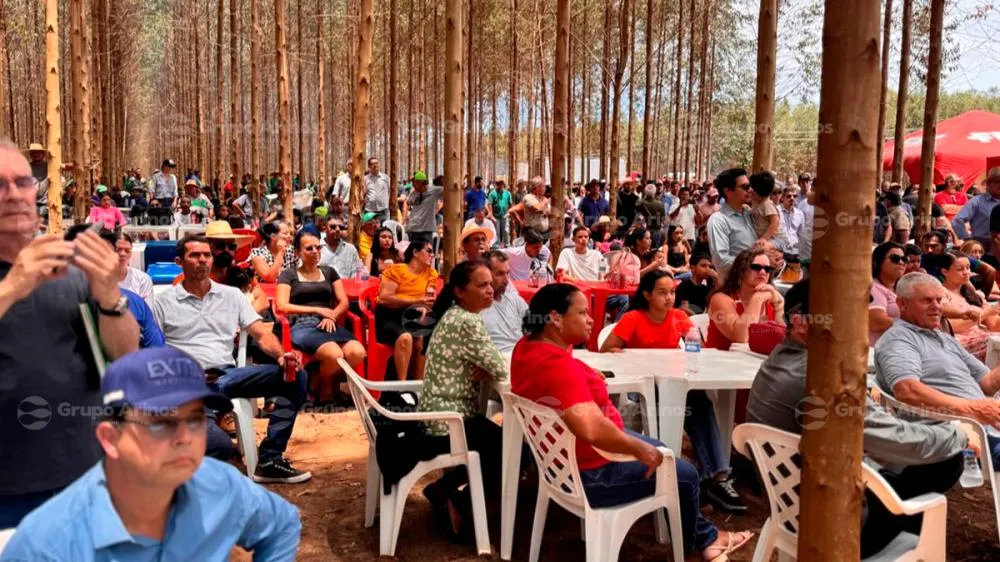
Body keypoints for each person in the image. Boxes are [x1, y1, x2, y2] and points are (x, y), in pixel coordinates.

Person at [510, 284, 754, 561]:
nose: (591, 319)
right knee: (686, 475)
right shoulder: (559, 366)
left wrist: (585, 371)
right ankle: (702, 544)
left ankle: (704, 535)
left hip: (562, 465)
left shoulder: (528, 347)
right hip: (595, 474)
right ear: (555, 318)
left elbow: (562, 381)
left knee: (665, 452)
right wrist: (637, 449)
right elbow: (589, 427)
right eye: (582, 313)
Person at [1, 346, 302, 560]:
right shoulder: (48, 544)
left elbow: (283, 524)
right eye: (160, 423)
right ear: (109, 437)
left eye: (196, 419)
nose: (185, 437)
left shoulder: (220, 484)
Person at [748, 280, 968, 559]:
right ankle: (904, 547)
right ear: (801, 323)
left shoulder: (777, 361)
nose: (855, 327)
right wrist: (958, 436)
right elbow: (891, 439)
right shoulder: (821, 378)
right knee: (946, 460)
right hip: (837, 524)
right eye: (842, 318)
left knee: (922, 453)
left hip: (791, 509)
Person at [0, 139, 139, 527]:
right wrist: (15, 284)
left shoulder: (69, 272)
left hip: (83, 475)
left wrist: (110, 296)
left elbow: (125, 354)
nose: (14, 195)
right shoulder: (33, 271)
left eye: (23, 182)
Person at [152, 235, 311, 484]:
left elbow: (260, 332)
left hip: (228, 375)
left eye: (206, 255)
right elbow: (152, 350)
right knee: (218, 447)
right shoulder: (162, 302)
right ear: (179, 261)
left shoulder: (231, 296)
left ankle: (269, 459)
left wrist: (282, 356)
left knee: (295, 375)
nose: (202, 260)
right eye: (195, 255)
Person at [600, 270, 746, 512]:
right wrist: (634, 359)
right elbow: (608, 349)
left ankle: (716, 476)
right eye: (662, 292)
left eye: (672, 292)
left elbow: (694, 348)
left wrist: (688, 343)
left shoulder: (678, 317)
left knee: (699, 402)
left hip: (673, 382)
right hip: (644, 387)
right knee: (688, 406)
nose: (669, 298)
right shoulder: (633, 318)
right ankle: (693, 477)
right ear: (647, 295)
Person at [418, 260, 508, 535]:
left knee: (506, 443)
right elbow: (501, 368)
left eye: (491, 284)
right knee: (516, 451)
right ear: (459, 291)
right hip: (449, 422)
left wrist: (486, 364)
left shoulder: (455, 314)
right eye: (481, 285)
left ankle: (443, 487)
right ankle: (461, 500)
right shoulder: (467, 320)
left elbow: (491, 364)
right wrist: (488, 364)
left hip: (438, 416)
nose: (490, 290)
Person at [875, 272, 1000, 467]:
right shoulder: (899, 340)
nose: (936, 307)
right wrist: (972, 409)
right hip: (960, 432)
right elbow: (907, 390)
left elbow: (989, 383)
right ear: (902, 304)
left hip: (986, 423)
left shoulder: (943, 338)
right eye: (926, 300)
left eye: (939, 300)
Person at [276, 231, 366, 404]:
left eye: (318, 247)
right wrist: (318, 311)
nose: (316, 251)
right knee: (334, 354)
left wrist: (332, 316)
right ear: (298, 253)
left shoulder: (329, 272)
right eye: (309, 248)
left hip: (328, 323)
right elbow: (282, 306)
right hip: (302, 324)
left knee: (357, 352)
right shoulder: (289, 275)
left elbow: (343, 302)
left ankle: (323, 383)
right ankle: (326, 389)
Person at [375, 240, 439, 380]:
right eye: (428, 251)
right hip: (389, 314)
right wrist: (417, 301)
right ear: (415, 253)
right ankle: (401, 386)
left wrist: (424, 307)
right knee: (406, 337)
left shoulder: (431, 273)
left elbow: (428, 298)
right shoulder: (397, 270)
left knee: (424, 335)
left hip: (413, 314)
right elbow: (384, 298)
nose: (432, 255)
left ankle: (416, 384)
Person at [705, 248, 784, 350]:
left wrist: (779, 308)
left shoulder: (771, 299)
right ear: (741, 271)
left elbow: (782, 340)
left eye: (767, 269)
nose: (763, 272)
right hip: (721, 362)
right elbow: (741, 337)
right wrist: (757, 299)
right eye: (756, 267)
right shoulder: (720, 299)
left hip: (755, 362)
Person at [937, 251, 999, 359]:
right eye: (960, 269)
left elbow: (994, 324)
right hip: (958, 345)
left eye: (968, 267)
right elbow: (952, 326)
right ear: (945, 271)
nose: (966, 272)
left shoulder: (973, 294)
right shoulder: (941, 294)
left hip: (983, 338)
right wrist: (985, 313)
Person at [706, 168, 757, 282]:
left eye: (749, 186)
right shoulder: (718, 220)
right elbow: (722, 261)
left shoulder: (751, 214)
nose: (750, 190)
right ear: (727, 191)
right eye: (744, 187)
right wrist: (756, 265)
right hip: (734, 289)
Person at [480, 250, 529, 354]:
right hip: (498, 360)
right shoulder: (475, 306)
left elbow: (535, 326)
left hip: (522, 356)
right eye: (500, 274)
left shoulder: (515, 300)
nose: (506, 279)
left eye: (508, 273)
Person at [869, 242, 906, 346]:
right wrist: (916, 326)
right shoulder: (873, 288)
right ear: (877, 262)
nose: (901, 262)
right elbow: (877, 322)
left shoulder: (901, 289)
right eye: (895, 258)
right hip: (878, 352)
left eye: (904, 259)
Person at [953, 167, 1000, 247]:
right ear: (988, 184)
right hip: (984, 249)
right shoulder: (977, 202)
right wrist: (968, 239)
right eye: (997, 181)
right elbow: (957, 220)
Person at [405, 170, 443, 244]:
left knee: (427, 251)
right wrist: (406, 217)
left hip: (426, 230)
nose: (412, 185)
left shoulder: (435, 191)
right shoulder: (413, 193)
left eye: (414, 182)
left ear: (420, 182)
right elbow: (407, 202)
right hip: (413, 228)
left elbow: (449, 190)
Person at [113, 233, 154, 302]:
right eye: (118, 250)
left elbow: (147, 310)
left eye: (127, 250)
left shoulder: (143, 280)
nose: (123, 254)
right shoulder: (96, 280)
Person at [363, 157, 391, 221]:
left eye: (376, 163)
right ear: (369, 166)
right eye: (373, 164)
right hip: (369, 210)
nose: (375, 165)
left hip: (383, 210)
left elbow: (390, 192)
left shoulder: (386, 178)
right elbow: (363, 193)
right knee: (370, 229)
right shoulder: (365, 179)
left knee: (384, 229)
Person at [487, 180, 512, 246]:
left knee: (506, 231)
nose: (500, 185)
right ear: (496, 184)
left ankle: (507, 245)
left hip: (505, 215)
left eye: (501, 184)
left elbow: (510, 204)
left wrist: (509, 213)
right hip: (496, 216)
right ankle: (496, 245)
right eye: (498, 184)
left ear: (503, 184)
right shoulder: (492, 193)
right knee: (496, 231)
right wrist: (491, 215)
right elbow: (489, 204)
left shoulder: (507, 193)